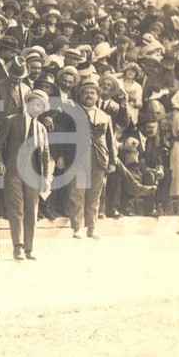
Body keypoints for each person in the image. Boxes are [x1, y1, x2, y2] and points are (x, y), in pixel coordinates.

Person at [0, 89, 52, 260]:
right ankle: (17, 246)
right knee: (16, 209)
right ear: (28, 103)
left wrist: (46, 177)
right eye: (35, 104)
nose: (37, 108)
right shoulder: (11, 121)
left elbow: (46, 155)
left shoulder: (41, 129)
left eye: (41, 106)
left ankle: (29, 249)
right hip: (13, 171)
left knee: (31, 211)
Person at [67, 79, 117, 239]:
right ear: (81, 96)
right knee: (77, 192)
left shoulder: (105, 116)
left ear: (97, 97)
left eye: (92, 93)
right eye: (86, 93)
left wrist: (113, 161)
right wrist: (62, 156)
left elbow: (111, 140)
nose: (89, 95)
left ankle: (92, 227)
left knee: (95, 194)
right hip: (79, 156)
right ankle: (76, 227)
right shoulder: (73, 113)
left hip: (99, 157)